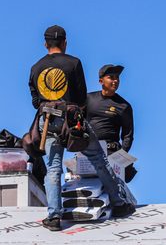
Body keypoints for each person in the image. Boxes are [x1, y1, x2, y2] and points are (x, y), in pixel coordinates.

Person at [28, 25, 132, 231]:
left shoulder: (36, 67)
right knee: (98, 158)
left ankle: (54, 216)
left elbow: (34, 100)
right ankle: (119, 204)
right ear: (65, 43)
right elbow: (80, 96)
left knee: (53, 168)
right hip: (71, 118)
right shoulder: (73, 63)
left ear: (45, 44)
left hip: (47, 119)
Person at [85, 65, 137, 181]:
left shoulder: (124, 106)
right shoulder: (88, 99)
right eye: (111, 77)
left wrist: (120, 158)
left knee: (111, 188)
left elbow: (128, 136)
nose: (115, 81)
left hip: (111, 153)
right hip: (88, 152)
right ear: (101, 81)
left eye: (117, 78)